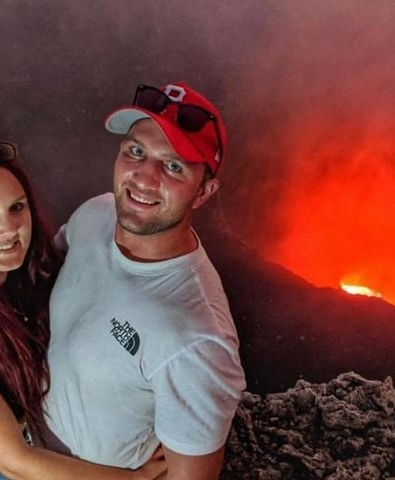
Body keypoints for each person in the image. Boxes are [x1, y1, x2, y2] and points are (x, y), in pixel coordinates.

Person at [0, 141, 166, 479]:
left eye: (16, 207)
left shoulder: (22, 281)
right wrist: (137, 478)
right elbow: (16, 462)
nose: (9, 228)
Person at [42, 82, 246, 479]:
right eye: (136, 152)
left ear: (204, 192)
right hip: (21, 438)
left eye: (173, 166)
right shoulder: (95, 214)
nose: (144, 178)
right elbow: (52, 270)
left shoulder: (196, 339)